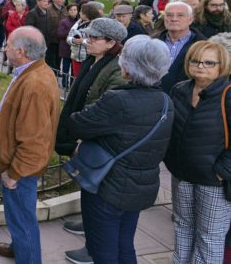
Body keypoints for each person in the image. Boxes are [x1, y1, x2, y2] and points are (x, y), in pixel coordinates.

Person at [67, 35, 173, 263]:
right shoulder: (166, 100)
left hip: (109, 187)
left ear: (127, 66)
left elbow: (77, 124)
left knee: (103, 251)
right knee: (125, 245)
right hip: (140, 186)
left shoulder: (118, 100)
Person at [55, 18, 128, 264]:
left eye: (94, 38)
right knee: (88, 188)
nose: (88, 42)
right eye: (88, 37)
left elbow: (104, 107)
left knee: (97, 193)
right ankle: (89, 228)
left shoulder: (116, 67)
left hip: (93, 138)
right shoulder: (92, 60)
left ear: (111, 43)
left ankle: (93, 249)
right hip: (81, 132)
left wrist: (81, 133)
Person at [0, 26, 60, 262]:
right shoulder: (31, 71)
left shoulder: (35, 84)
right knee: (18, 217)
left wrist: (15, 173)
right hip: (18, 166)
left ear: (20, 51)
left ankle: (28, 256)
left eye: (8, 44)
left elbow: (34, 140)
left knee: (22, 219)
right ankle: (19, 247)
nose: (4, 47)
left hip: (20, 171)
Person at [166, 41, 231, 263]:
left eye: (209, 62)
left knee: (209, 237)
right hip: (182, 174)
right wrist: (171, 161)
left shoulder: (228, 95)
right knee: (182, 227)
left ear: (221, 66)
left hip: (214, 182)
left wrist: (221, 172)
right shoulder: (180, 89)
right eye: (195, 60)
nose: (201, 66)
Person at [156, 1, 206, 93]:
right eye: (169, 15)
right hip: (153, 98)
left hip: (185, 99)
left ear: (190, 19)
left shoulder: (203, 46)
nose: (174, 19)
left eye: (180, 15)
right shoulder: (152, 42)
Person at [67, 2, 103, 77]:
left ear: (86, 14)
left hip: (88, 58)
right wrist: (73, 40)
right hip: (76, 57)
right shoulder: (78, 23)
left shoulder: (95, 25)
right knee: (75, 77)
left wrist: (82, 41)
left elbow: (96, 42)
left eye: (81, 11)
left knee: (85, 77)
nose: (79, 13)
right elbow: (69, 37)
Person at [58, 4, 79, 87]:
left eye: (75, 10)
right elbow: (60, 34)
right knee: (65, 68)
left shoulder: (79, 22)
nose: (73, 12)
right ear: (68, 11)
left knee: (74, 69)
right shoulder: (64, 22)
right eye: (71, 10)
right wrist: (71, 33)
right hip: (66, 48)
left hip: (75, 49)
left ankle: (72, 84)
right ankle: (64, 84)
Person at [46, 0, 68, 71]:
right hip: (51, 39)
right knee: (50, 58)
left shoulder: (65, 9)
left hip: (62, 39)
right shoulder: (48, 9)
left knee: (59, 58)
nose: (63, 0)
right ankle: (50, 72)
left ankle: (57, 71)